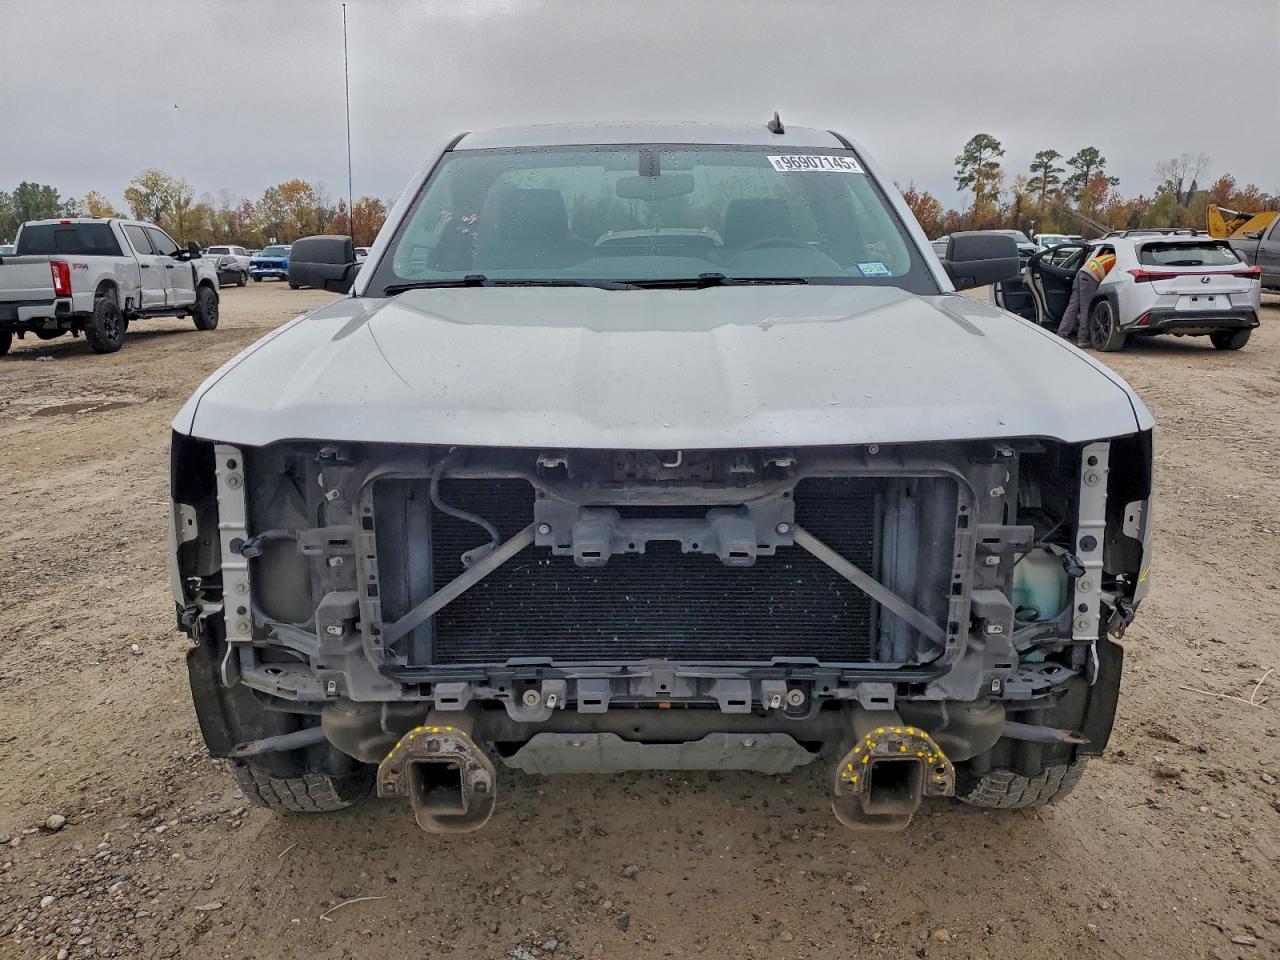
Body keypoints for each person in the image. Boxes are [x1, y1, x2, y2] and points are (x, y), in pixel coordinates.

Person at [1057, 248, 1116, 346]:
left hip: (1081, 273)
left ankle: (1062, 333)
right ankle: (1083, 339)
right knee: (1087, 308)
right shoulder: (1116, 261)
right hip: (1091, 277)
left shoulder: (1106, 257)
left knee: (1073, 305)